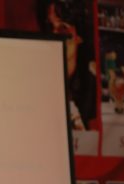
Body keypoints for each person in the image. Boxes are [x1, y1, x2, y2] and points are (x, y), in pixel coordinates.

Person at [37, 0, 97, 131]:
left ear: (78, 38)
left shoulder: (90, 82)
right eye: (49, 28)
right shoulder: (38, 80)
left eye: (63, 30)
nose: (54, 37)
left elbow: (95, 134)